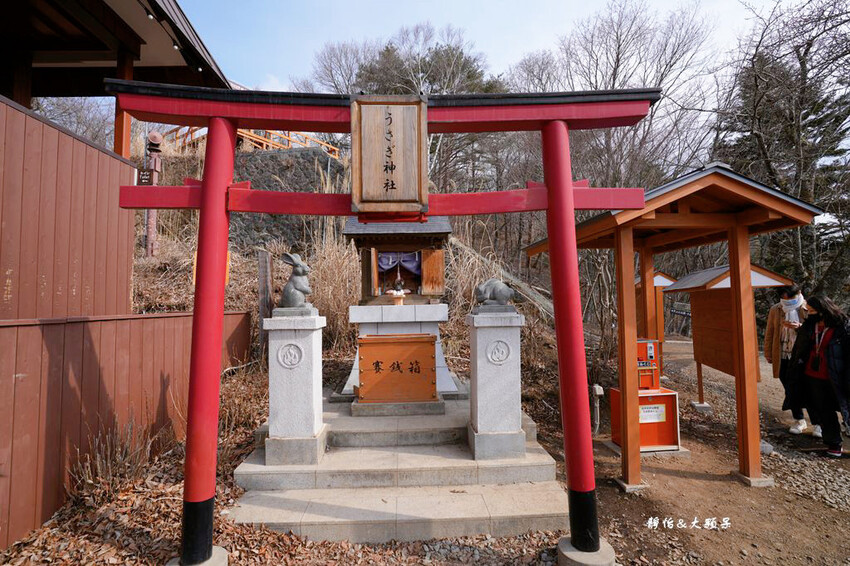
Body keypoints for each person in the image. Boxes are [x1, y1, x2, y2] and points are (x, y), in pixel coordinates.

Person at [789, 296, 850, 458]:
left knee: (846, 410)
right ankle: (834, 445)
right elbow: (800, 348)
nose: (809, 313)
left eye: (813, 310)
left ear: (824, 310)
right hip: (813, 375)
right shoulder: (810, 325)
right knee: (824, 411)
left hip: (837, 376)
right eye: (808, 310)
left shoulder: (843, 325)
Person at [764, 285, 814, 435]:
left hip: (802, 354)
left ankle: (818, 422)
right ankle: (799, 419)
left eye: (790, 298)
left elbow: (814, 331)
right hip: (783, 353)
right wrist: (768, 352)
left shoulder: (808, 308)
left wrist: (799, 327)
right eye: (784, 298)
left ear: (798, 294)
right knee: (789, 388)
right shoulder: (776, 309)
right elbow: (770, 332)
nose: (787, 301)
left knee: (808, 387)